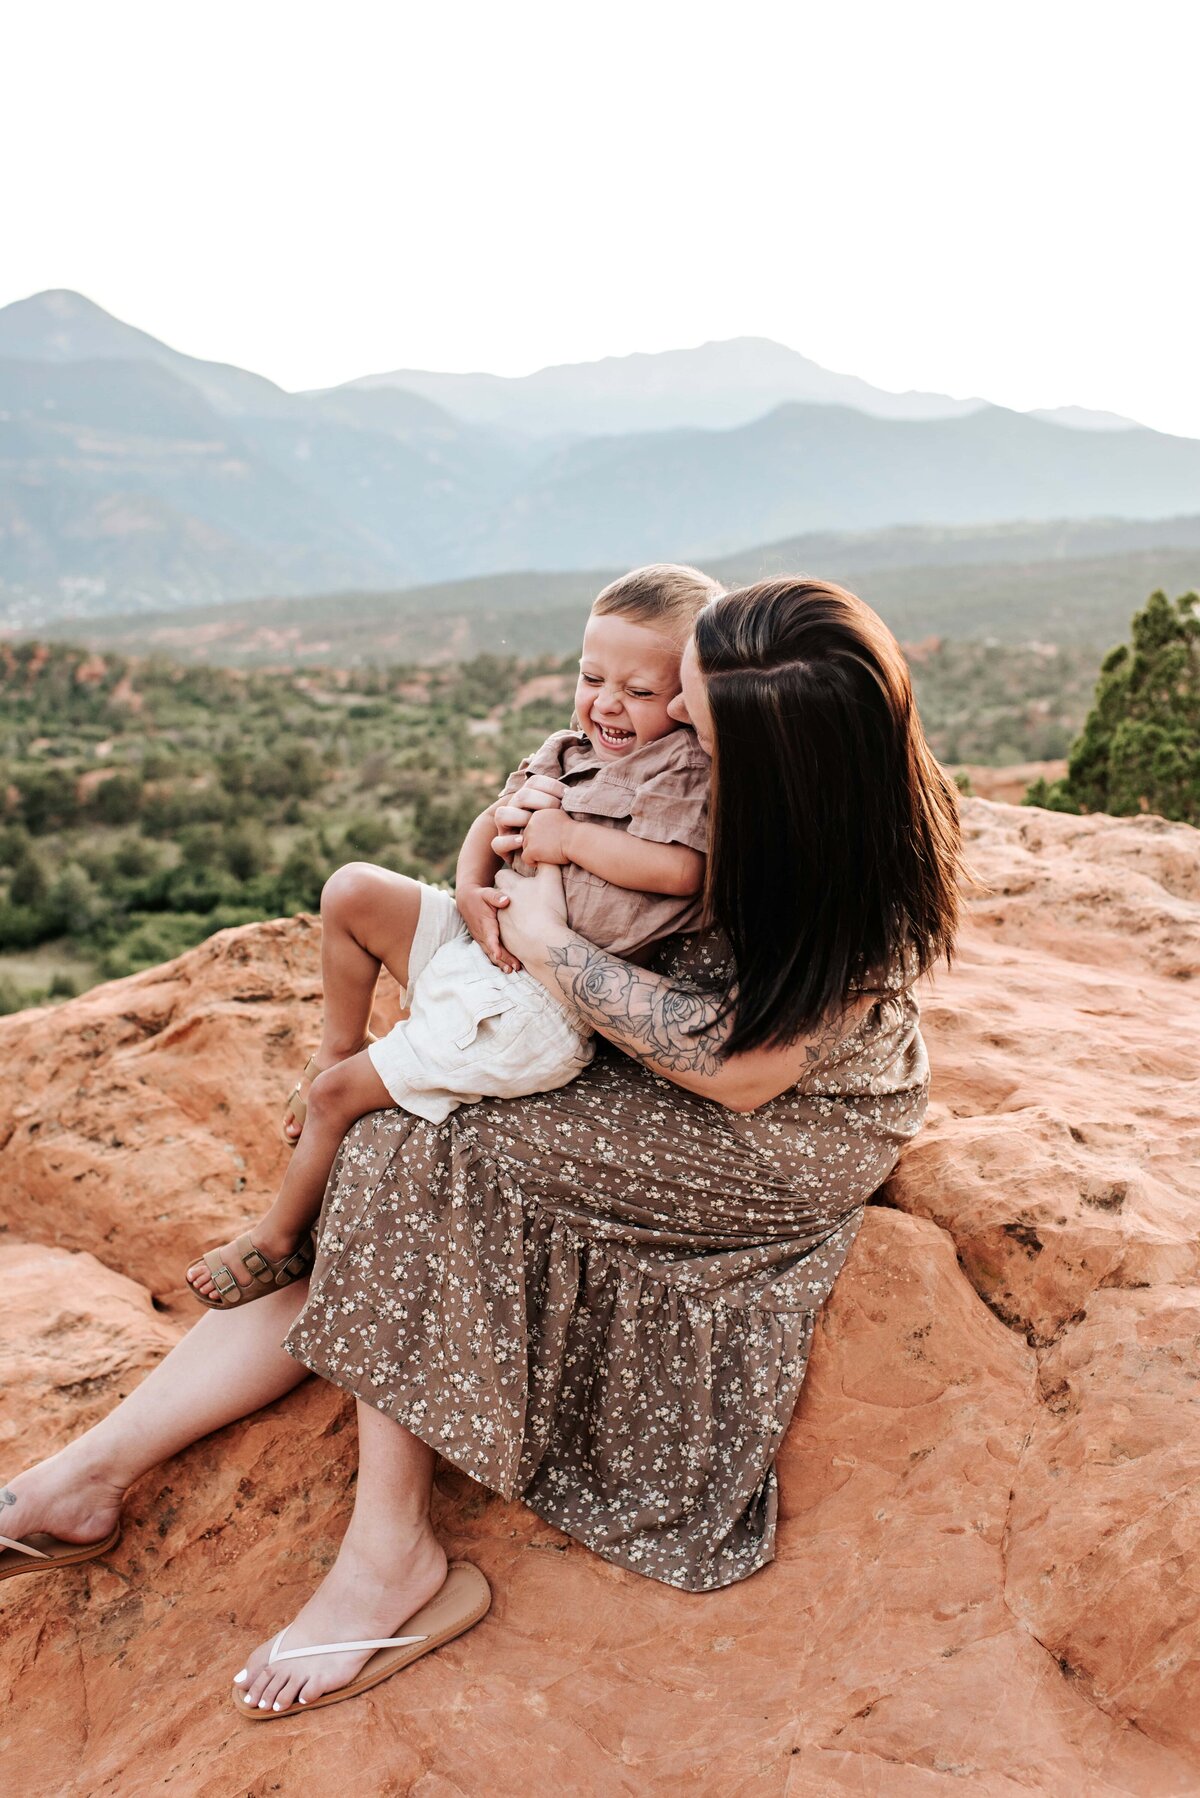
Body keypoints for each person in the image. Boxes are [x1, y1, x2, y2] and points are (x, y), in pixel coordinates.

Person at [0, 578, 961, 1725]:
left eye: (697, 722)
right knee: (390, 1136)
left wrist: (546, 940)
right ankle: (79, 1481)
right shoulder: (707, 742)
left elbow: (738, 1069)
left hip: (766, 1122)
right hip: (637, 1016)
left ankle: (390, 1558)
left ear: (788, 761)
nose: (675, 733)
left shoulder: (845, 862)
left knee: (427, 1144)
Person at [183, 562, 720, 1309]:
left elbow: (682, 872)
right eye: (593, 677)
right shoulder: (570, 750)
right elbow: (493, 820)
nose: (608, 705)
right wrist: (470, 885)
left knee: (339, 1100)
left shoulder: (682, 770)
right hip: (485, 945)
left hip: (537, 1006)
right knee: (352, 889)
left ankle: (279, 1241)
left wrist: (566, 839)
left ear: (692, 699)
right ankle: (339, 1039)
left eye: (640, 692)